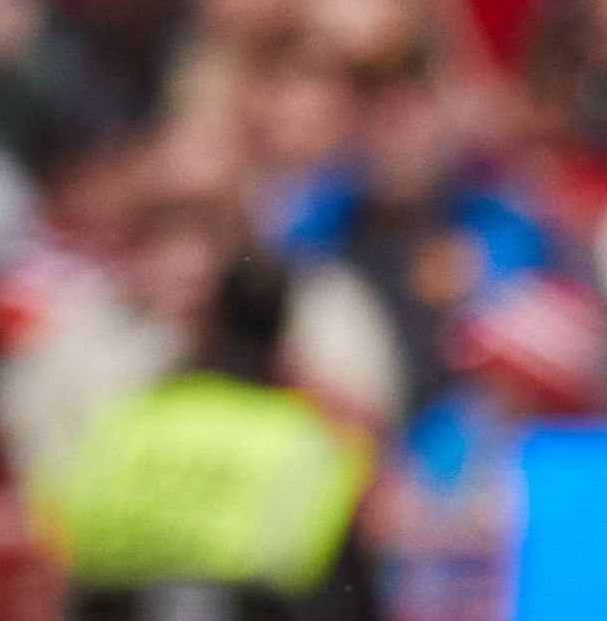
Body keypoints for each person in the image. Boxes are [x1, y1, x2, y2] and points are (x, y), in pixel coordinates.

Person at [42, 254, 381, 621]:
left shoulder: (127, 422)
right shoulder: (309, 440)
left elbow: (68, 551)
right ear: (285, 336)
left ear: (205, 324)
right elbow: (349, 587)